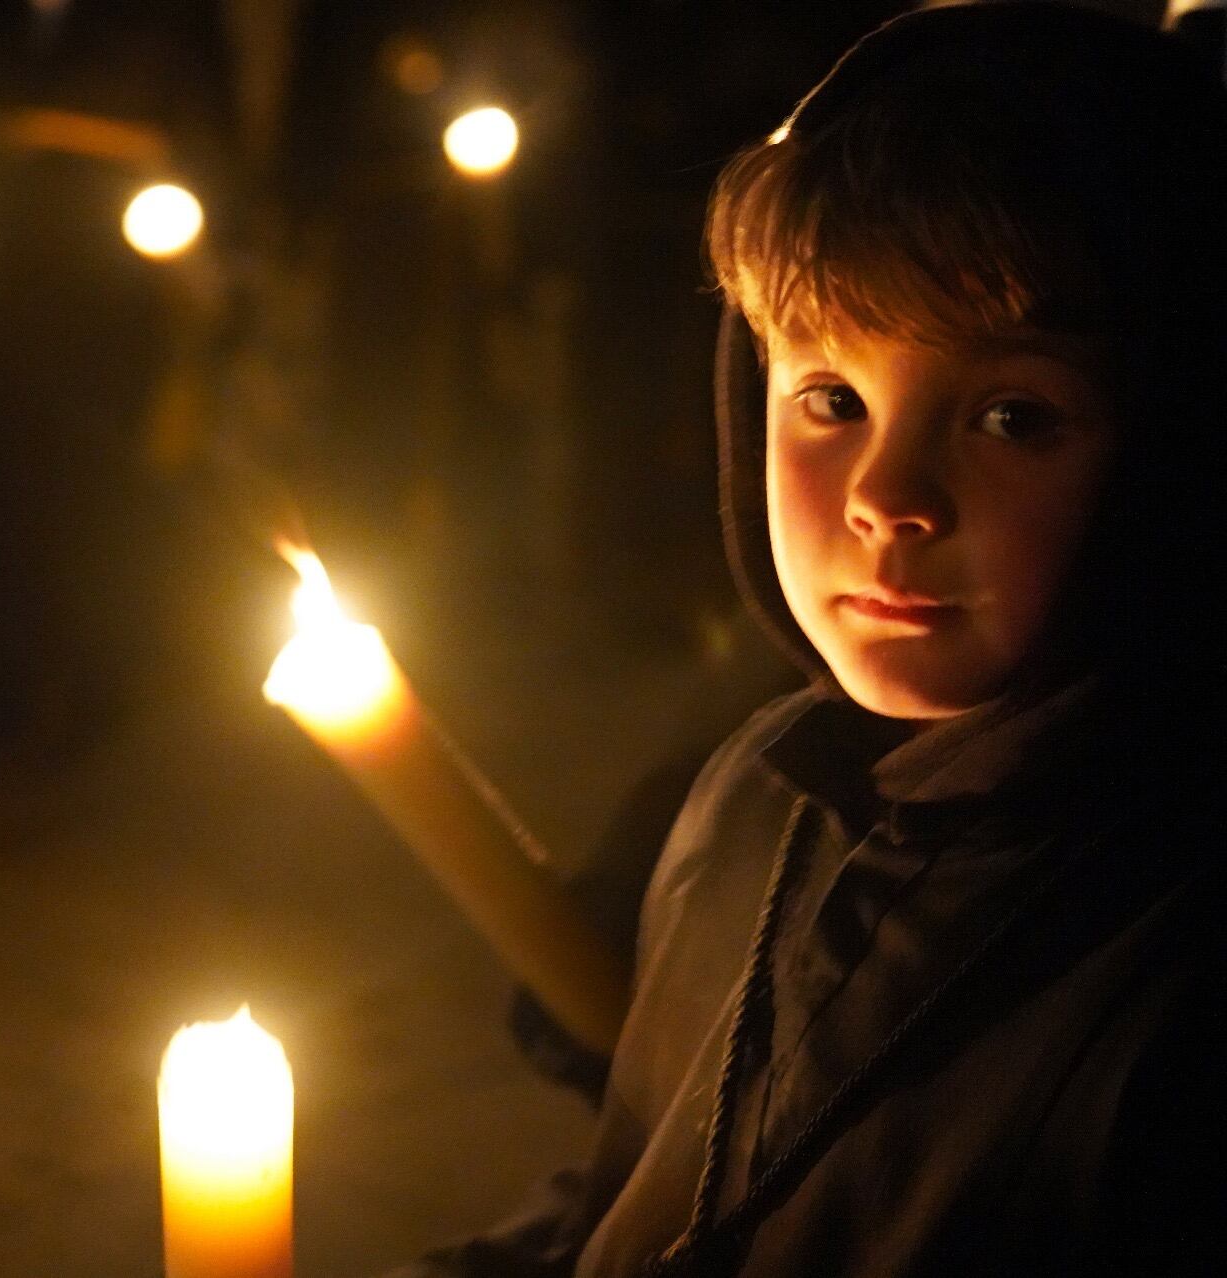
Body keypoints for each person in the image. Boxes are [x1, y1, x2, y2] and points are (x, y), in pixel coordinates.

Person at [386, 3, 1227, 1274]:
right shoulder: (754, 801)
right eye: (830, 397)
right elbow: (657, 1192)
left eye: (1012, 416)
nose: (889, 499)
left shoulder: (1171, 970)